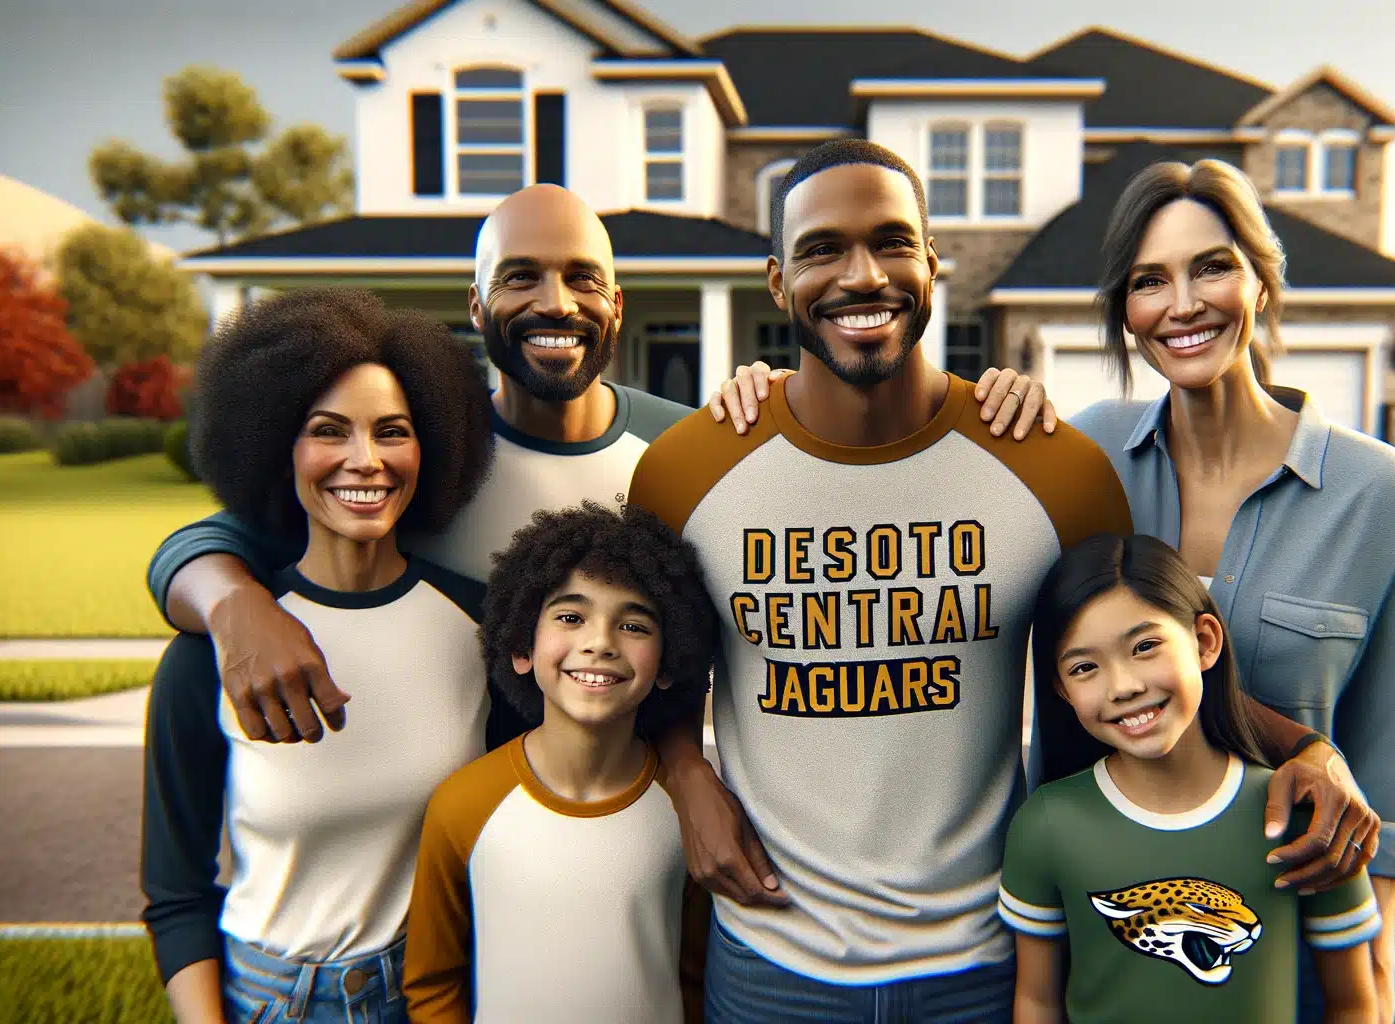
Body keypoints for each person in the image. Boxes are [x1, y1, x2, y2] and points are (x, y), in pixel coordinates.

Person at [626, 138, 1379, 1022]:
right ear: (777, 279)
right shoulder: (690, 470)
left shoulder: (1045, 463)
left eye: (892, 241)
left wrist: (1309, 750)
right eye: (823, 248)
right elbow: (653, 678)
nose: (862, 274)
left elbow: (1145, 672)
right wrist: (685, 773)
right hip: (770, 958)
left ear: (933, 263)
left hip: (985, 960)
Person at [140, 184, 1055, 748]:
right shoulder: (421, 455)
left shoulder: (691, 449)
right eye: (520, 277)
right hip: (457, 835)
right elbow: (221, 536)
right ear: (475, 302)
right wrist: (231, 601)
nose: (555, 303)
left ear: (616, 301)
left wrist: (993, 409)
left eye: (582, 277)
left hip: (640, 833)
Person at [1066, 158, 1395, 1023]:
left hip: (1288, 951)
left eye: (1213, 267)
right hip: (1104, 931)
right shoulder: (1085, 461)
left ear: (1261, 282)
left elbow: (1386, 773)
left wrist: (1370, 976)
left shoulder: (1385, 497)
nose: (1183, 304)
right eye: (1149, 280)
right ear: (1126, 309)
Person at [139, 288, 503, 1023]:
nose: (364, 461)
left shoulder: (485, 627)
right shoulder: (211, 651)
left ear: (430, 444)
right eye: (328, 431)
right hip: (269, 999)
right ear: (278, 446)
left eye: (392, 431)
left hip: (436, 991)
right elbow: (176, 893)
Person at [1000, 532, 1380, 1024]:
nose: (1124, 686)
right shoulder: (1046, 826)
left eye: (1145, 646)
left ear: (1204, 642)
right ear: (1062, 688)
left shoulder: (1303, 817)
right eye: (1085, 667)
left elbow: (1353, 1004)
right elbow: (1037, 1002)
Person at [402, 501, 719, 1024]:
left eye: (635, 625)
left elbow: (695, 977)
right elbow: (434, 985)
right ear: (523, 647)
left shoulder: (686, 811)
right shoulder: (463, 806)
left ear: (669, 663)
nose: (599, 643)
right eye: (571, 617)